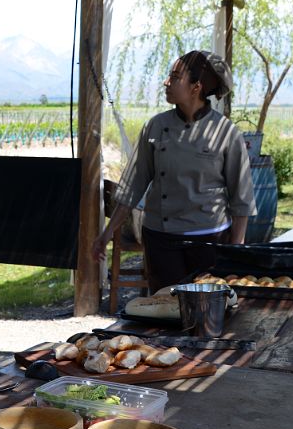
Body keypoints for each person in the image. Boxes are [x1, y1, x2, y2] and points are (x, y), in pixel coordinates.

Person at [92, 50, 256, 293]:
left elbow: (242, 198)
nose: (166, 82)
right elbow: (133, 185)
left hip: (209, 240)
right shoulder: (156, 126)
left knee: (208, 308)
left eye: (175, 77)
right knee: (164, 305)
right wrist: (106, 234)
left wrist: (237, 246)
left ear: (196, 87)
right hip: (161, 239)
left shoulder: (225, 132)